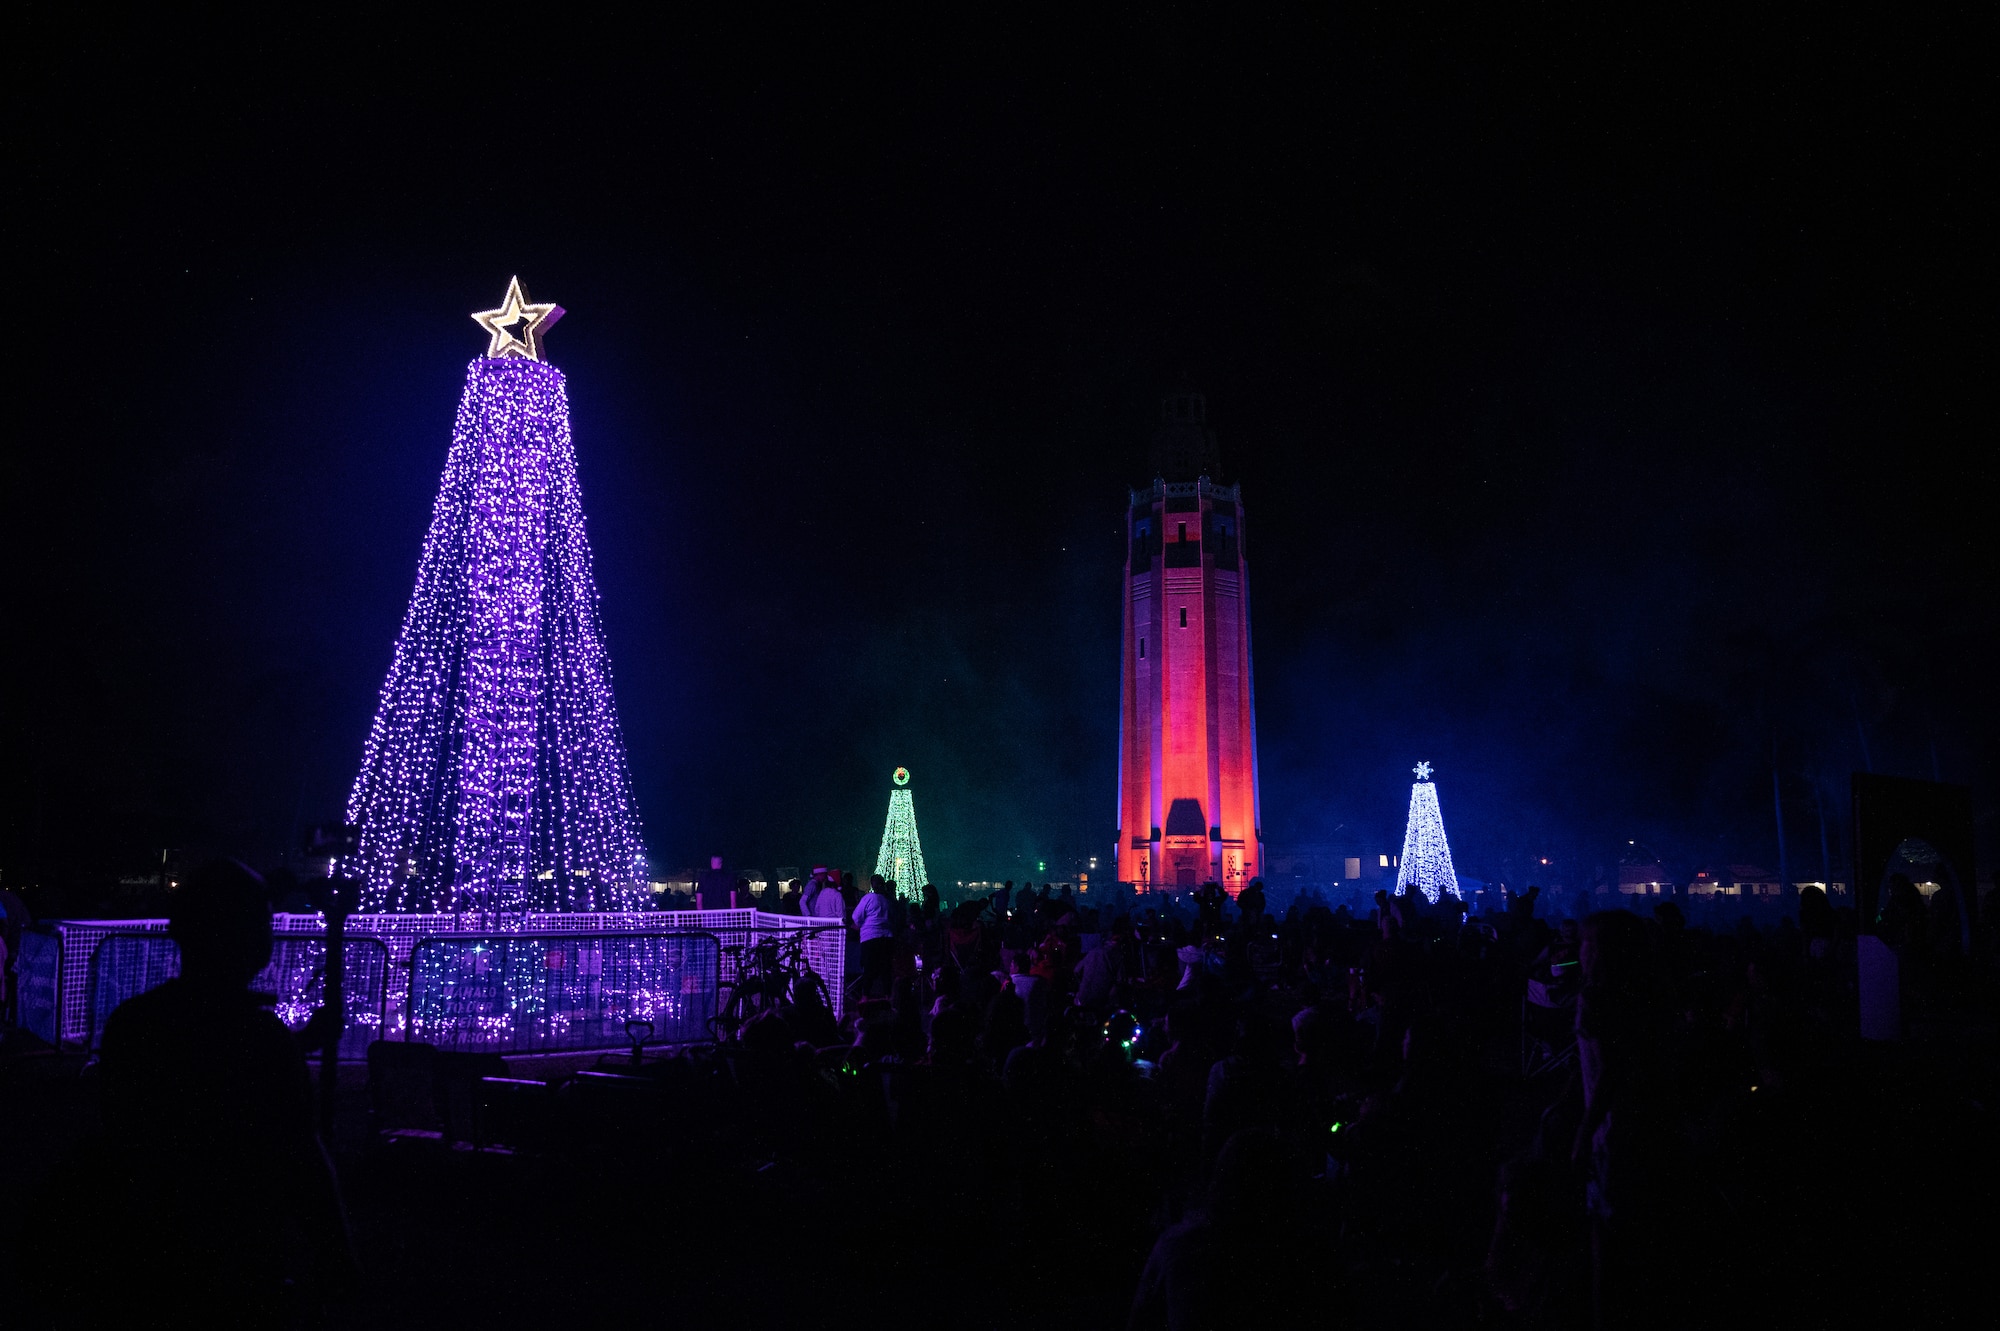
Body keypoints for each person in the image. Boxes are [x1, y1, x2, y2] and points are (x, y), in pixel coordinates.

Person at [93, 859, 356, 1322]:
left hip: (144, 1255)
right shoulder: (260, 1039)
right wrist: (340, 1264)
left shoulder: (134, 1024)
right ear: (250, 938)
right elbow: (300, 1156)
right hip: (236, 1261)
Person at [853, 874, 895, 998]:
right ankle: (888, 997)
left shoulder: (868, 898)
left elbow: (856, 916)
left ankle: (865, 998)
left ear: (872, 884)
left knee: (869, 969)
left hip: (870, 937)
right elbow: (892, 918)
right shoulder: (888, 900)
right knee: (885, 970)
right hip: (887, 938)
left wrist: (860, 925)